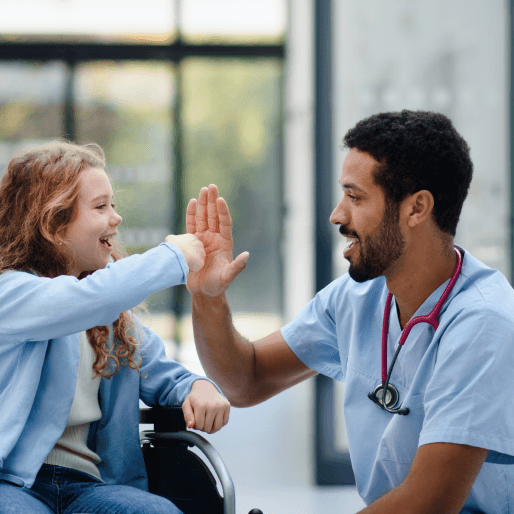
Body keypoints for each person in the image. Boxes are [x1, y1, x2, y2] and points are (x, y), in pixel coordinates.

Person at [186, 110, 514, 513]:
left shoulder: (485, 323)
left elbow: (430, 503)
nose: (337, 215)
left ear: (416, 209)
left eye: (355, 197)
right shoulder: (357, 298)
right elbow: (245, 380)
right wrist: (208, 297)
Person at [0, 141, 230, 514]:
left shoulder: (114, 320)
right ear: (53, 223)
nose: (115, 217)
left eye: (114, 204)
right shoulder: (10, 294)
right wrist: (173, 256)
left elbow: (165, 375)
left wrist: (198, 386)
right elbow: (81, 301)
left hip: (90, 488)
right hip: (12, 484)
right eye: (100, 206)